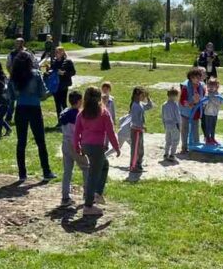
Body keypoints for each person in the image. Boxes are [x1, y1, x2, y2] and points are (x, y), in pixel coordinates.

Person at [6, 50, 56, 182]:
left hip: (20, 108)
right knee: (40, 141)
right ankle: (46, 171)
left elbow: (11, 96)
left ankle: (22, 174)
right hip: (34, 108)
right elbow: (43, 94)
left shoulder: (13, 76)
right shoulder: (36, 74)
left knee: (21, 142)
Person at [74, 86, 121, 217]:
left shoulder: (81, 113)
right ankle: (88, 206)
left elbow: (76, 132)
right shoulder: (103, 113)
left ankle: (97, 194)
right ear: (99, 98)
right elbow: (110, 132)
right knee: (93, 176)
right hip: (96, 147)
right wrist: (116, 147)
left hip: (86, 146)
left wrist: (77, 147)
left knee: (104, 164)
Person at [59, 90, 88, 207]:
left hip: (65, 143)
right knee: (86, 167)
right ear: (80, 101)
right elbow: (80, 131)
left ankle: (65, 197)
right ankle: (87, 194)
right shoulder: (78, 115)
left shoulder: (64, 111)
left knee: (67, 171)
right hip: (74, 144)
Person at [179, 68, 207, 154]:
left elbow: (203, 97)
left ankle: (196, 146)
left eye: (199, 77)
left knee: (195, 129)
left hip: (196, 111)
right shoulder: (186, 87)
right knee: (185, 129)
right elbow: (182, 100)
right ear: (191, 78)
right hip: (186, 112)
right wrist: (189, 103)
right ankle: (184, 147)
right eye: (196, 78)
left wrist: (201, 102)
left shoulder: (201, 86)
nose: (198, 79)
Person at [127, 86, 153, 173]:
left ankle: (138, 164)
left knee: (140, 149)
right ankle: (133, 166)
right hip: (135, 131)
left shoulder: (140, 104)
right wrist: (142, 126)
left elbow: (149, 106)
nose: (144, 97)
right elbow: (134, 121)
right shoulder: (135, 106)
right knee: (135, 150)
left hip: (139, 131)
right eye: (143, 95)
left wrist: (148, 98)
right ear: (137, 95)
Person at [48, 47, 77, 124]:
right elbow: (52, 71)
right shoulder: (54, 61)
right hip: (55, 85)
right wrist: (49, 71)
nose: (56, 54)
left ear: (62, 53)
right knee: (57, 104)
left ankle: (66, 120)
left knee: (63, 103)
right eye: (56, 52)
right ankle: (60, 121)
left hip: (63, 85)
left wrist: (64, 73)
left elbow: (73, 72)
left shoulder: (68, 61)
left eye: (58, 52)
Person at [201, 78, 223, 147]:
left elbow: (220, 103)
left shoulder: (218, 94)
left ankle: (212, 138)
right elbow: (204, 103)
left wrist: (221, 98)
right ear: (207, 86)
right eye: (209, 86)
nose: (211, 88)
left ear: (217, 87)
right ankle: (207, 139)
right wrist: (207, 98)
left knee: (213, 126)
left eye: (213, 86)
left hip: (214, 113)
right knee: (208, 127)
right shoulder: (207, 94)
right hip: (207, 113)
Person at [161, 86, 181, 162]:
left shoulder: (164, 104)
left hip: (167, 125)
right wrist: (180, 125)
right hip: (174, 125)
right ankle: (172, 155)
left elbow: (163, 116)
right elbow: (178, 116)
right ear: (174, 96)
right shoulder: (175, 105)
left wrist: (164, 124)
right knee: (175, 140)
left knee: (168, 140)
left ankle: (166, 154)